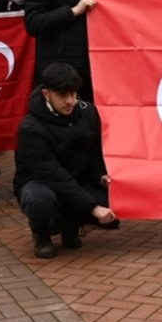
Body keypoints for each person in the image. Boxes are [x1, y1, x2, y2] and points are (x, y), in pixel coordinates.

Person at [15, 62, 116, 258]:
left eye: (73, 94)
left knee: (112, 195)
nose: (70, 101)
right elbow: (52, 174)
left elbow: (95, 152)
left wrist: (100, 176)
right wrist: (92, 208)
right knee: (40, 200)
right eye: (62, 95)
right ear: (46, 94)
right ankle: (42, 234)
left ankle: (70, 226)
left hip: (77, 176)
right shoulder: (30, 128)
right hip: (40, 182)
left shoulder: (88, 112)